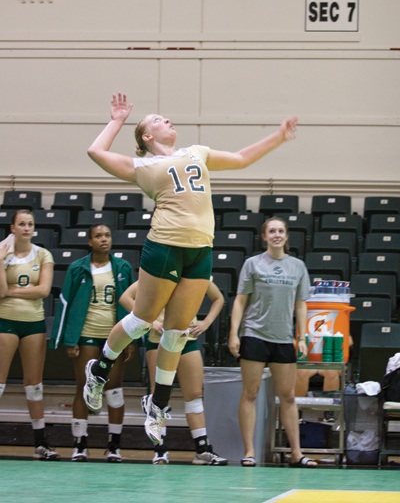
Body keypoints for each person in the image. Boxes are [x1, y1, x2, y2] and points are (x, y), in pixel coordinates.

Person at [83, 91, 298, 447]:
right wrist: (117, 121)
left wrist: (278, 136)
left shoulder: (196, 152)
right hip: (166, 245)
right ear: (147, 137)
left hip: (200, 249)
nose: (166, 119)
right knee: (140, 321)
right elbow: (95, 152)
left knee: (177, 331)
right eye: (156, 119)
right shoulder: (142, 167)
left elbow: (243, 158)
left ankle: (159, 402)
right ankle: (100, 370)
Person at [228, 216, 317, 468]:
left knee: (288, 396)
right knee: (251, 393)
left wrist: (302, 336)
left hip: (282, 339)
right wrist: (234, 333)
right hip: (254, 334)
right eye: (272, 231)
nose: (277, 234)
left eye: (281, 231)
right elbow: (240, 300)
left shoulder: (298, 267)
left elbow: (301, 304)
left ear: (286, 236)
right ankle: (249, 452)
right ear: (264, 236)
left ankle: (297, 454)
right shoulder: (252, 264)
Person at [49, 224, 135, 462]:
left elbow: (133, 304)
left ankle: (114, 445)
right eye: (98, 236)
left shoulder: (123, 267)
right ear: (90, 242)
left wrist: (132, 338)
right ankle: (80, 444)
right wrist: (69, 339)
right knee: (85, 386)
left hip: (115, 335)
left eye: (107, 235)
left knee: (114, 388)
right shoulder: (78, 268)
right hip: (86, 333)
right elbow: (66, 302)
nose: (103, 239)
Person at [119, 279, 228, 465]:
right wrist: (151, 322)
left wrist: (206, 322)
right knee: (159, 395)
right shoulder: (160, 272)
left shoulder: (197, 274)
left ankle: (202, 450)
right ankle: (160, 450)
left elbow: (218, 298)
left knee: (194, 395)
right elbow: (125, 298)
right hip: (158, 341)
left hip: (187, 340)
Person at [0, 210, 59, 460]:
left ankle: (40, 443)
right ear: (12, 227)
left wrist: (13, 289)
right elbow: (1, 292)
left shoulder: (43, 254)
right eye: (21, 224)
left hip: (34, 324)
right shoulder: (2, 252)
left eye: (30, 224)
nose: (26, 228)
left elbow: (44, 290)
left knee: (34, 385)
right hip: (6, 322)